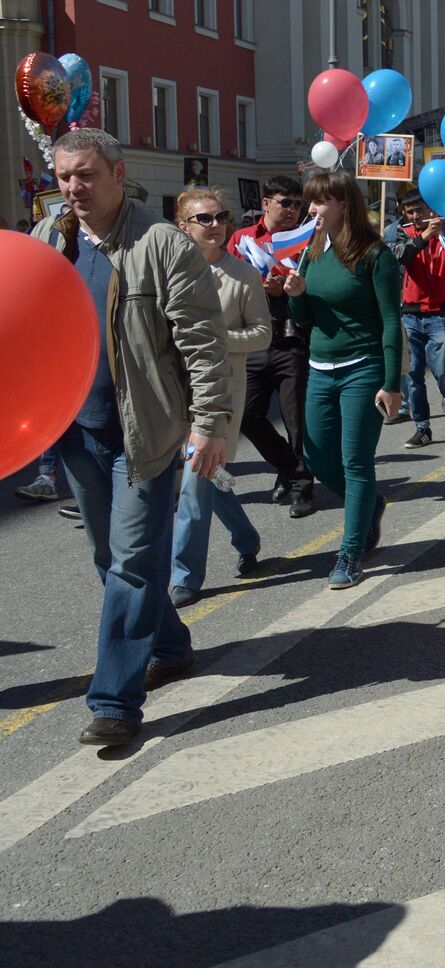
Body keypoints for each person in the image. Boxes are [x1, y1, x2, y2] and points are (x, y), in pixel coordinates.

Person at [35, 128, 231, 747]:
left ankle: (115, 701)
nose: (74, 189)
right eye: (66, 177)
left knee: (129, 566)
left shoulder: (163, 244)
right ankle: (170, 645)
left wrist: (209, 425)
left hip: (143, 434)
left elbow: (202, 343)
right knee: (113, 559)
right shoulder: (50, 238)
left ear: (119, 175)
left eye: (86, 175)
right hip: (77, 429)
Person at [280, 171, 403, 590]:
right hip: (319, 367)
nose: (310, 209)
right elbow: (305, 320)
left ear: (344, 206)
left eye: (319, 202)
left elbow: (390, 321)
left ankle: (350, 553)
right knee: (315, 457)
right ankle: (370, 506)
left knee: (355, 463)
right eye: (309, 201)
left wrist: (392, 382)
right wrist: (296, 297)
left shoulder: (375, 255)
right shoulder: (311, 251)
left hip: (363, 368)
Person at [168, 187, 271, 608]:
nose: (216, 225)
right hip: (173, 392)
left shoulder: (243, 275)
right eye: (204, 219)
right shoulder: (169, 270)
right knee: (207, 477)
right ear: (182, 226)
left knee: (193, 485)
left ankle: (183, 576)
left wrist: (216, 340)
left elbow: (261, 334)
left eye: (221, 216)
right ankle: (247, 538)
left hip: (219, 395)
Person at [229, 176, 317, 518]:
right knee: (247, 416)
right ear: (266, 204)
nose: (293, 210)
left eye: (298, 204)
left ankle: (301, 488)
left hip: (290, 339)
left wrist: (294, 288)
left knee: (296, 420)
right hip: (252, 339)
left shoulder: (306, 240)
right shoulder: (242, 239)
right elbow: (229, 280)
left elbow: (318, 283)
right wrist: (258, 286)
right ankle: (289, 467)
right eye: (286, 202)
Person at [386, 187, 445, 448]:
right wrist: (422, 237)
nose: (415, 215)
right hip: (410, 314)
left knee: (443, 371)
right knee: (413, 375)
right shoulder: (403, 234)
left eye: (419, 210)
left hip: (440, 314)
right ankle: (422, 427)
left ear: (431, 208)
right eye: (410, 212)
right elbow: (399, 257)